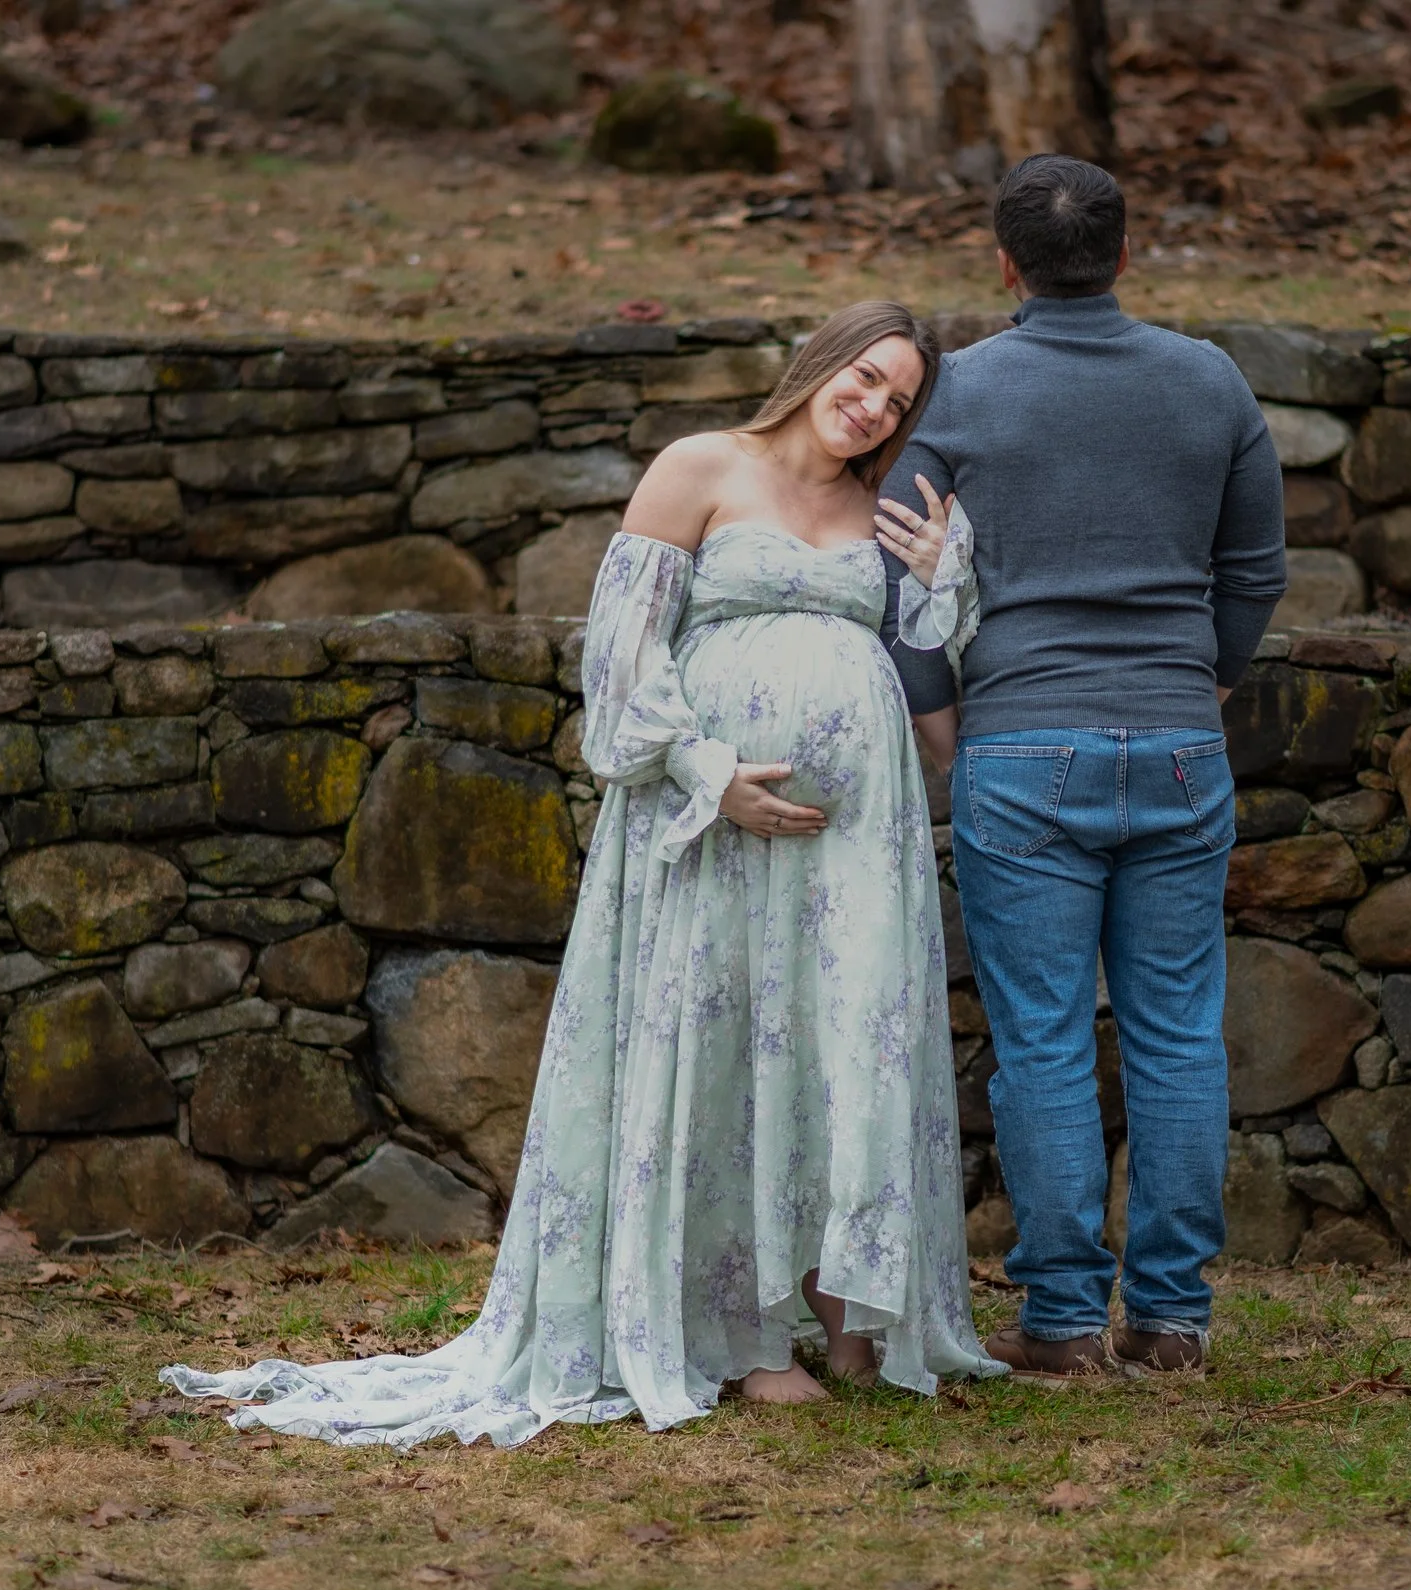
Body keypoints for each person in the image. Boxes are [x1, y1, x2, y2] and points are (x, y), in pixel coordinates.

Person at [161, 300, 1005, 1447]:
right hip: (707, 827)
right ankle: (745, 1334)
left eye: (898, 399)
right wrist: (711, 774)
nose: (873, 407)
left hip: (855, 845)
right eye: (864, 378)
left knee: (845, 1042)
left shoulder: (877, 510)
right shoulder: (702, 466)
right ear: (817, 365)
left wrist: (943, 578)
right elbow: (621, 653)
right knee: (726, 1057)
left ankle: (848, 1306)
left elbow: (922, 660)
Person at [878, 154, 1288, 1378]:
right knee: (1176, 1038)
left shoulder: (957, 394)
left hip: (1019, 747)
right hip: (1174, 745)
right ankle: (1171, 1321)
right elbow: (1254, 572)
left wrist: (943, 721)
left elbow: (899, 577)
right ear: (1123, 253)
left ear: (1002, 262)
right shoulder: (1209, 381)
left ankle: (1060, 1323)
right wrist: (1198, 686)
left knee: (1044, 1042)